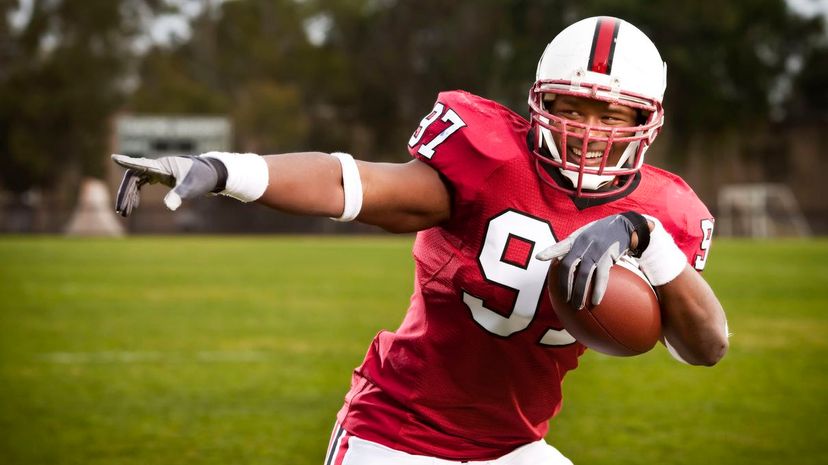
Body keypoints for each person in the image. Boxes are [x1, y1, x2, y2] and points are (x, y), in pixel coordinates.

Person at [112, 16, 729, 465]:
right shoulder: (490, 160)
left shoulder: (658, 210)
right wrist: (228, 170)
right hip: (397, 437)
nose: (586, 129)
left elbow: (706, 347)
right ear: (539, 104)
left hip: (512, 446)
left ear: (646, 123)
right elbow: (350, 184)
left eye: (611, 114)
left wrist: (645, 239)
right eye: (570, 106)